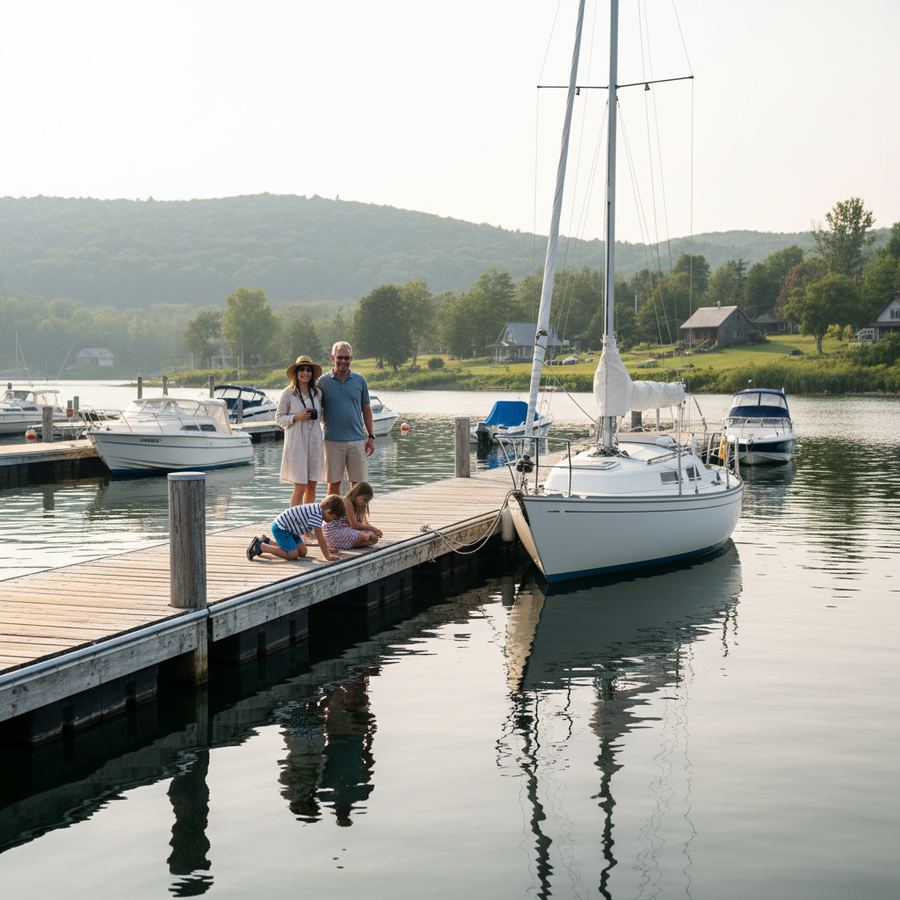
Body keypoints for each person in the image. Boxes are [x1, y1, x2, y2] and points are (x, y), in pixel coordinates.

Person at [317, 341, 376, 496]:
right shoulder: (322, 382)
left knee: (358, 486)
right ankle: (333, 520)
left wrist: (371, 436)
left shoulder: (360, 380)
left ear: (351, 358)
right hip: (332, 440)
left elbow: (367, 409)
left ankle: (357, 518)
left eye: (346, 358)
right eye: (340, 358)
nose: (343, 361)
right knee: (333, 484)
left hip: (357, 440)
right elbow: (314, 408)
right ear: (332, 358)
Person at [276, 355, 325, 507]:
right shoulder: (288, 393)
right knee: (300, 486)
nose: (305, 373)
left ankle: (307, 525)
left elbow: (322, 416)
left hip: (315, 442)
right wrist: (296, 417)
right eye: (302, 369)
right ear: (296, 372)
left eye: (308, 370)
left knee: (312, 485)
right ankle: (295, 525)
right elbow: (278, 418)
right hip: (297, 444)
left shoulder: (317, 393)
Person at [247, 494, 344, 562]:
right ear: (328, 511)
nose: (332, 521)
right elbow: (320, 538)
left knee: (303, 552)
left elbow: (316, 537)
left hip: (291, 530)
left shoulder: (318, 510)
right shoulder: (317, 515)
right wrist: (327, 556)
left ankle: (267, 541)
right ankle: (261, 546)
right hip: (281, 528)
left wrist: (326, 548)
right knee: (293, 555)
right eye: (333, 518)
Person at [323, 481, 384, 550]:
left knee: (374, 537)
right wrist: (373, 529)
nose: (365, 503)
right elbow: (354, 525)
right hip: (334, 532)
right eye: (364, 500)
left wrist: (371, 529)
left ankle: (346, 543)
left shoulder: (357, 506)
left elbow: (360, 523)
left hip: (344, 530)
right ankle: (345, 543)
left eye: (367, 501)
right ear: (357, 494)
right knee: (369, 537)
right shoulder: (346, 501)